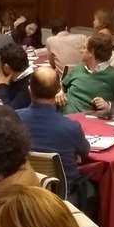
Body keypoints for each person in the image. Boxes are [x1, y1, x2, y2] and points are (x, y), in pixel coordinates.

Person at [16, 67, 91, 201]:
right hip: (62, 198)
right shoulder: (71, 127)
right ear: (58, 91)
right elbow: (85, 153)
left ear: (29, 90)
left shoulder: (13, 119)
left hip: (21, 195)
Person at [59, 35, 114, 114]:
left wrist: (108, 106)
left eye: (84, 48)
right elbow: (63, 85)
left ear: (91, 53)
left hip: (86, 118)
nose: (81, 51)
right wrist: (60, 91)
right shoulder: (78, 69)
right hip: (61, 114)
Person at [0, 42, 31, 110]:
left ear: (6, 68)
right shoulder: (16, 79)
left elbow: (6, 111)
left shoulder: (28, 86)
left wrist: (1, 86)